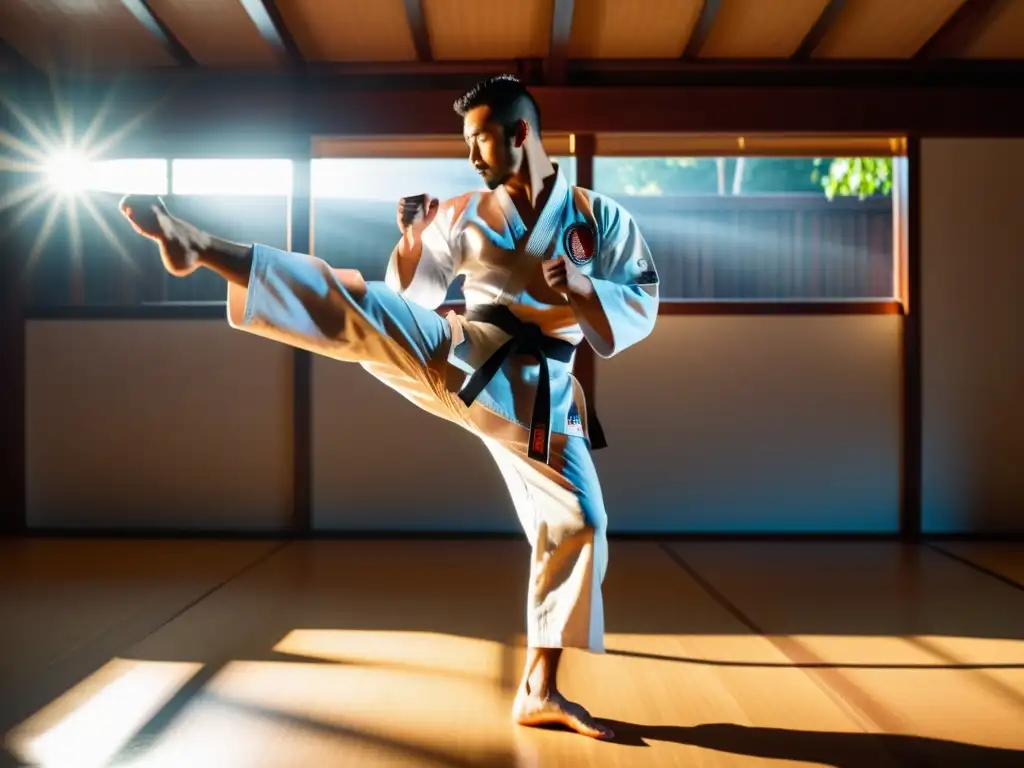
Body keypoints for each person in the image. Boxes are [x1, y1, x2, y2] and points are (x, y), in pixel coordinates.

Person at [119, 74, 659, 740]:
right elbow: (414, 293)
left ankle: (539, 690)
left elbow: (637, 302)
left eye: (479, 140)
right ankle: (201, 247)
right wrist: (410, 243)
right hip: (464, 355)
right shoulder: (464, 213)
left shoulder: (600, 219)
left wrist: (579, 284)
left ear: (519, 133)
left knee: (582, 523)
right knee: (364, 303)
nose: (471, 158)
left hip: (542, 396)